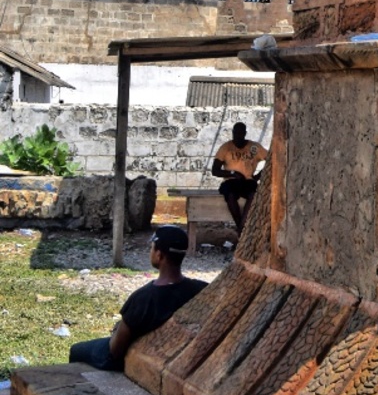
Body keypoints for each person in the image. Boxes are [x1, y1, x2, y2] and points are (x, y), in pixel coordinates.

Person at [68, 226, 206, 371]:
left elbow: (115, 350)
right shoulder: (199, 289)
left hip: (127, 357)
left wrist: (116, 331)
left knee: (76, 350)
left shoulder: (144, 299)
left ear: (159, 255)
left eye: (152, 248)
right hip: (171, 352)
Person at [211, 121, 268, 231]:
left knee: (254, 195)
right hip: (231, 181)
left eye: (240, 133)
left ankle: (243, 225)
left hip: (248, 181)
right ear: (233, 133)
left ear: (245, 133)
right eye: (236, 133)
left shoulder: (254, 147)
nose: (238, 136)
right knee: (230, 194)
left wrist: (259, 175)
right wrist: (232, 173)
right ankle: (240, 227)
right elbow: (215, 170)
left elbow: (272, 158)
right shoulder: (226, 148)